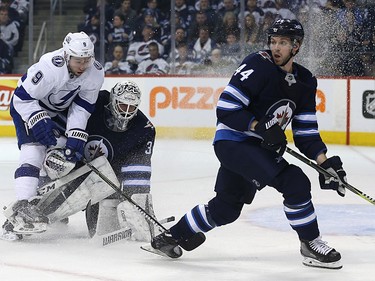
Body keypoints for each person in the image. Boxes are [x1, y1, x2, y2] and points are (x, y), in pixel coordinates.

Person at [148, 19, 348, 270]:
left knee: (226, 208)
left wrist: (325, 163)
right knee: (294, 181)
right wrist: (259, 126)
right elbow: (226, 108)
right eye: (273, 42)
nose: (276, 48)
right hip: (233, 141)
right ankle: (310, 243)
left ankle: (170, 237)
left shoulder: (305, 81)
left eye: (283, 43)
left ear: (296, 46)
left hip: (258, 147)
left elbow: (306, 132)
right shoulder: (258, 64)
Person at [1, 31, 104, 237]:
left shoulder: (95, 72)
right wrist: (37, 118)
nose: (83, 66)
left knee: (62, 155)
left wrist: (76, 132)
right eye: (78, 61)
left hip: (57, 111)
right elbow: (21, 97)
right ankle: (23, 205)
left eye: (86, 60)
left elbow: (82, 106)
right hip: (28, 107)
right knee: (35, 151)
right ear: (66, 55)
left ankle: (44, 206)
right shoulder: (50, 68)